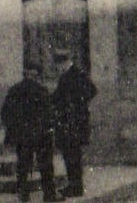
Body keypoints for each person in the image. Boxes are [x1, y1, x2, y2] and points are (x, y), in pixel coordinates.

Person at [1, 60, 58, 203]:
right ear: (36, 74)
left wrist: (13, 131)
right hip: (41, 135)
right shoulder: (42, 90)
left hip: (23, 136)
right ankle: (49, 195)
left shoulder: (15, 90)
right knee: (46, 166)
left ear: (24, 73)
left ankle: (23, 195)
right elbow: (49, 114)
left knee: (23, 167)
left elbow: (5, 113)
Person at [51, 54, 96, 198]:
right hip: (73, 123)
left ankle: (75, 187)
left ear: (65, 63)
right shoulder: (74, 75)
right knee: (72, 155)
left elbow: (92, 90)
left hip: (72, 123)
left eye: (59, 66)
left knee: (72, 156)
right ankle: (75, 186)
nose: (58, 69)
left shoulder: (72, 75)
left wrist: (77, 104)